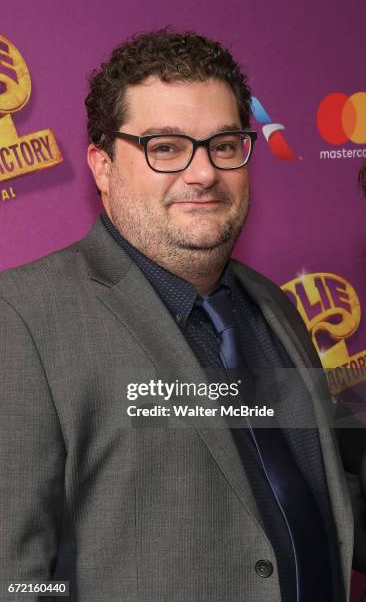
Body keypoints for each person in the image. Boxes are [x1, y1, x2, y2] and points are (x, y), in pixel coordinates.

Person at [0, 30, 352, 602]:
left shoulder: (276, 308)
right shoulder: (20, 320)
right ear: (103, 165)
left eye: (225, 144)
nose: (203, 173)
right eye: (165, 146)